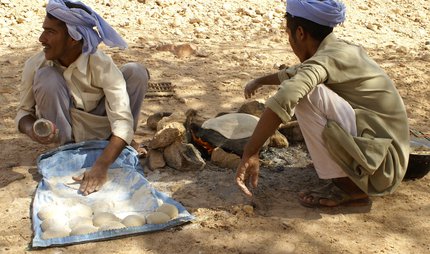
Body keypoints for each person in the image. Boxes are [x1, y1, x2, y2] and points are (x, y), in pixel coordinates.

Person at [235, 0, 410, 207]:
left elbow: (288, 94)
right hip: (388, 152)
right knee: (305, 86)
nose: (289, 40)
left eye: (288, 34)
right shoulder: (341, 49)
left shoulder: (326, 59)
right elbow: (298, 72)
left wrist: (251, 152)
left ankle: (350, 186)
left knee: (307, 94)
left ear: (300, 33)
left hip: (383, 167)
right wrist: (260, 81)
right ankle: (345, 169)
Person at [15, 0, 149, 196]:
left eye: (50, 32)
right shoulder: (36, 65)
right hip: (65, 132)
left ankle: (119, 144)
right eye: (44, 30)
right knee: (46, 78)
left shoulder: (101, 64)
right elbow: (23, 113)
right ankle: (67, 152)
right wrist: (31, 129)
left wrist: (101, 166)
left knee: (136, 72)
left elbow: (122, 120)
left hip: (103, 129)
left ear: (73, 39)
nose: (41, 39)